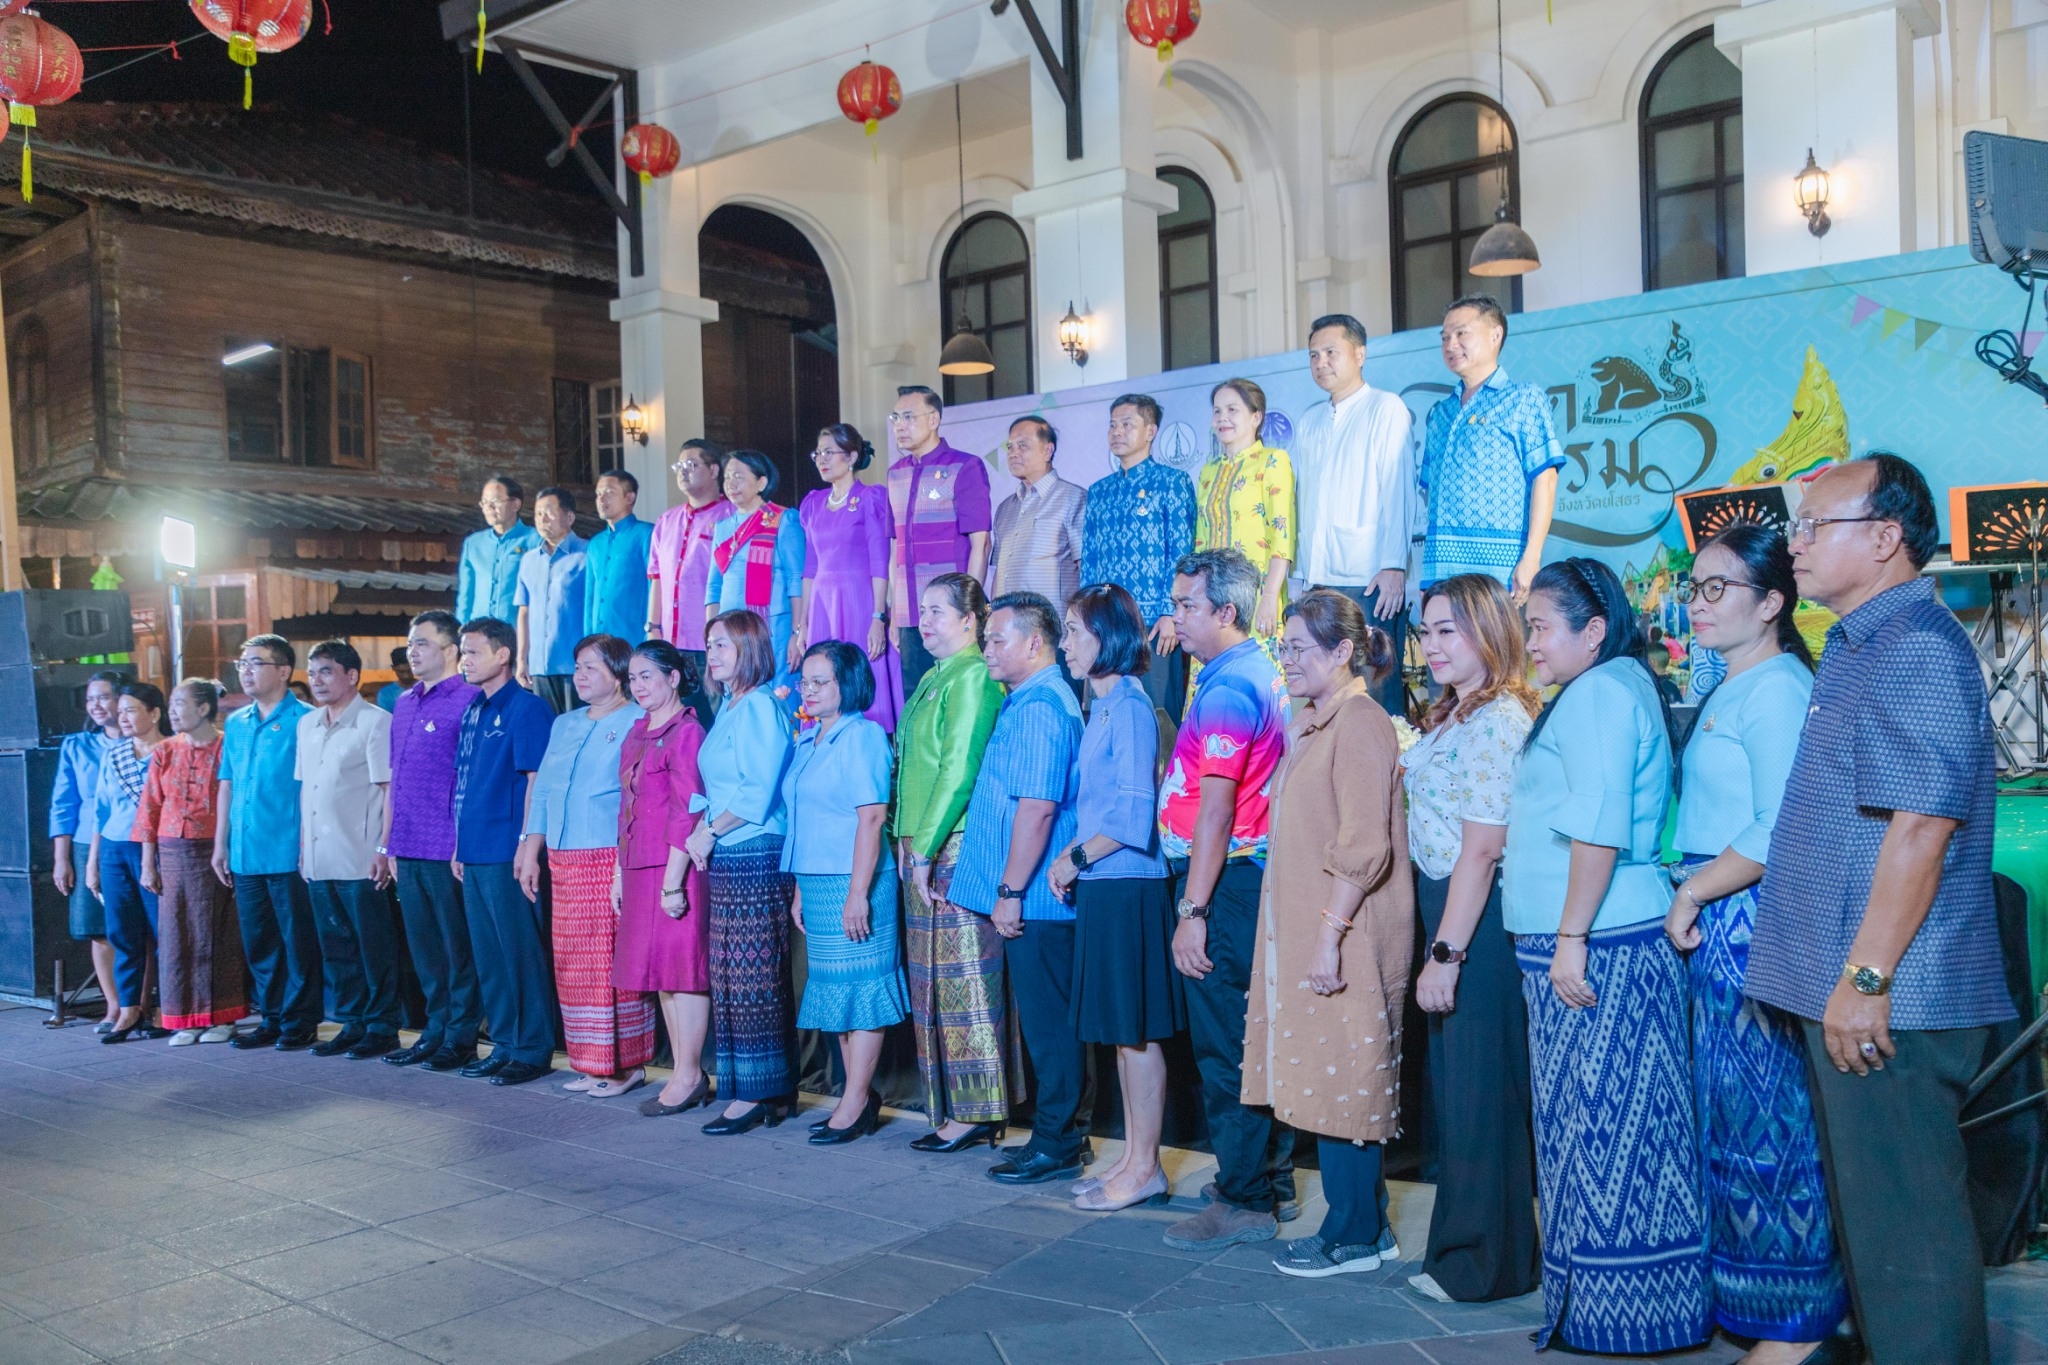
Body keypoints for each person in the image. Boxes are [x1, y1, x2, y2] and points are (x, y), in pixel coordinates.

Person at [1745, 454, 2011, 1365]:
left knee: (1913, 1248)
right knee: (1881, 1244)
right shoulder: (1867, 642)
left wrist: (1863, 979)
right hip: (1862, 990)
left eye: (1817, 526)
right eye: (1796, 527)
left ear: (1887, 538)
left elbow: (1920, 831)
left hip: (1896, 998)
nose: (1799, 544)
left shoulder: (1917, 649)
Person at [1505, 557, 1705, 1354]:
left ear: (1593, 629)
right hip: (1603, 932)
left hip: (1601, 940)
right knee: (1606, 1124)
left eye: (1542, 627)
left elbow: (1598, 829)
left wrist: (1570, 939)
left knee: (1603, 1126)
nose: (1531, 643)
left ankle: (1624, 1315)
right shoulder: (1613, 685)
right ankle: (1624, 1308)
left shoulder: (1597, 694)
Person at [1662, 524, 1846, 1362]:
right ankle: (1761, 1307)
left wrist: (1695, 888)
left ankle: (1799, 1323)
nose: (1697, 604)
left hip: (1750, 914)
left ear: (1772, 602)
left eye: (1717, 589)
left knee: (1771, 1121)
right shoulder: (1738, 684)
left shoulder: (1776, 689)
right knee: (1735, 1119)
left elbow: (1780, 825)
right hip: (1724, 913)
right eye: (1693, 587)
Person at [1249, 591, 1410, 1278]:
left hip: (1345, 930)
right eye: (1282, 648)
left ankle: (1356, 1235)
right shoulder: (1313, 722)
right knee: (1327, 1072)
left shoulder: (1362, 723)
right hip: (1314, 928)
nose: (1286, 661)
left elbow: (1364, 844)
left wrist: (1328, 935)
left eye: (1298, 649)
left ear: (1342, 652)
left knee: (1348, 1075)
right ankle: (1361, 1223)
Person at [1400, 575, 1541, 1304]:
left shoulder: (1498, 720)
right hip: (1446, 900)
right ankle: (1466, 1251)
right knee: (1460, 1093)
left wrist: (1447, 952)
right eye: (1427, 631)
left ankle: (1487, 1263)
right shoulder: (1457, 713)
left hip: (1475, 918)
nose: (1433, 645)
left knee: (1481, 1091)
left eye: (1448, 629)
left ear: (1490, 629)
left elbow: (1483, 848)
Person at [1157, 549, 1295, 1252]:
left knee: (1225, 1050)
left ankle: (1245, 1199)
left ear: (1225, 612)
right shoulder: (1255, 669)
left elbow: (1215, 812)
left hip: (1227, 881)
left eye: (1185, 605)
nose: (1174, 617)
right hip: (1247, 880)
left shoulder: (1227, 689)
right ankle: (1265, 1180)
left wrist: (1193, 911)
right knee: (1251, 1040)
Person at [1050, 585, 1182, 1212]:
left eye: (1074, 630)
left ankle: (1145, 1165)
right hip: (1105, 884)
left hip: (1128, 884)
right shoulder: (1101, 705)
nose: (1065, 643)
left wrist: (1073, 858)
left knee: (1136, 1035)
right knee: (1121, 1037)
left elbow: (1134, 815)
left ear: (1106, 637)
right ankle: (1132, 1159)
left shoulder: (1128, 705)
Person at [949, 592, 1085, 1185]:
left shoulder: (1039, 707)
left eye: (997, 639)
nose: (987, 650)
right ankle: (1055, 1137)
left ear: (1035, 642)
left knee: (1052, 1026)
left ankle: (1059, 1142)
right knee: (1046, 1022)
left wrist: (1009, 890)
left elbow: (1037, 809)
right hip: (1030, 894)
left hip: (1036, 899)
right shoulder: (1029, 698)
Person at [894, 571, 1009, 1151]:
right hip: (922, 846)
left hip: (953, 848)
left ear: (972, 621)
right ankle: (950, 1109)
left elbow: (959, 770)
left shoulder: (972, 677)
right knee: (933, 986)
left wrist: (925, 847)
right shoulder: (938, 676)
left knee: (964, 984)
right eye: (922, 610)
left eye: (939, 611)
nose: (926, 622)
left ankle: (978, 1112)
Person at [782, 641, 906, 1144]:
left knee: (862, 989)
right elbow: (805, 820)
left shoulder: (864, 736)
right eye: (805, 681)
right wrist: (797, 887)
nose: (808, 690)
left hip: (855, 881)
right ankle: (855, 1096)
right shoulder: (811, 740)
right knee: (835, 992)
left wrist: (859, 893)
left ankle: (856, 1101)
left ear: (847, 684)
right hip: (815, 881)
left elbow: (871, 817)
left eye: (820, 681)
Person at [517, 634, 651, 1097]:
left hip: (607, 856)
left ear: (618, 674)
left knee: (609, 961)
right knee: (574, 963)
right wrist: (530, 848)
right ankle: (590, 1062)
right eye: (577, 666)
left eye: (591, 666)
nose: (579, 675)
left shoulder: (638, 719)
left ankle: (626, 1066)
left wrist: (622, 861)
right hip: (563, 856)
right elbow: (546, 791)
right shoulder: (565, 723)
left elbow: (636, 799)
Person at [685, 610, 800, 1133]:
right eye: (709, 645)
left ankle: (760, 1092)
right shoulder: (731, 704)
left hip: (753, 848)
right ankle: (753, 1088)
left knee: (753, 974)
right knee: (732, 973)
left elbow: (758, 791)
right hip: (731, 849)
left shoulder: (757, 706)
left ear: (750, 650)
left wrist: (710, 829)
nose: (712, 654)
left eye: (724, 645)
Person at [1292, 314, 1418, 718]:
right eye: (1314, 355)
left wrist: (1394, 565)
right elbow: (1299, 501)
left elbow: (1399, 490)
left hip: (1370, 578)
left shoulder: (1386, 408)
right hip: (1319, 580)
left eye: (1331, 352)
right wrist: (1300, 574)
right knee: (1325, 688)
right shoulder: (1310, 420)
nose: (1321, 362)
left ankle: (1387, 776)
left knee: (1374, 687)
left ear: (1360, 354)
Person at [452, 616, 559, 1086]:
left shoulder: (528, 708)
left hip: (508, 849)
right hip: (473, 849)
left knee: (518, 953)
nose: (464, 660)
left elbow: (538, 780)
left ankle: (532, 1048)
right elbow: (465, 784)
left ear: (503, 654)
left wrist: (526, 847)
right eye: (462, 651)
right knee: (490, 956)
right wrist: (458, 845)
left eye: (473, 651)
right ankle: (504, 1043)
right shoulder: (475, 708)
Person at [376, 611, 484, 1072]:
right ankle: (434, 1029)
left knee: (455, 946)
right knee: (423, 948)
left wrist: (463, 841)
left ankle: (461, 1035)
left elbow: (472, 777)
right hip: (407, 843)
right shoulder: (403, 703)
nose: (412, 651)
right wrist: (387, 846)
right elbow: (395, 779)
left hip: (447, 845)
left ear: (451, 650)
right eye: (410, 644)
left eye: (422, 643)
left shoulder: (471, 698)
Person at [617, 641, 714, 1118]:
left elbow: (688, 810)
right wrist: (620, 871)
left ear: (674, 678)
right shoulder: (639, 731)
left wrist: (674, 881)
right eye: (633, 678)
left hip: (673, 866)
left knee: (683, 974)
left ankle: (690, 1073)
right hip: (639, 865)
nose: (638, 686)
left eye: (647, 676)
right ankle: (683, 1071)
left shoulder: (687, 732)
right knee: (660, 976)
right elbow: (626, 808)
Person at [214, 637, 322, 1052]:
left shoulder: (306, 720)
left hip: (287, 850)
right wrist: (221, 844)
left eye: (256, 663)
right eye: (242, 663)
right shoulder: (237, 722)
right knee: (259, 942)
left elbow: (313, 785)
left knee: (297, 941)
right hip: (244, 850)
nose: (246, 670)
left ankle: (299, 1019)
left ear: (283, 671)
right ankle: (271, 1016)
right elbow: (228, 783)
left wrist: (306, 842)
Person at [1419, 296, 1564, 603]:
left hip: (1500, 570)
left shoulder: (1523, 398)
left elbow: (1546, 478)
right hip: (1442, 572)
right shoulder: (1440, 414)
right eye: (1444, 337)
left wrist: (1531, 557)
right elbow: (1432, 496)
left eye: (1461, 333)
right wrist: (1428, 571)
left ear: (1495, 335)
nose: (1450, 344)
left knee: (1497, 651)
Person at [297, 641, 403, 1059]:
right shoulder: (307, 725)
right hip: (321, 856)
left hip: (361, 854)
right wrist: (305, 847)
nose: (317, 680)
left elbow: (389, 789)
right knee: (337, 946)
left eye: (326, 671)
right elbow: (308, 790)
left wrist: (383, 847)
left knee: (372, 945)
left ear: (352, 676)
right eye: (313, 672)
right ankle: (351, 1022)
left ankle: (382, 1025)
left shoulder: (376, 722)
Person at [135, 679, 244, 1045]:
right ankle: (184, 1019)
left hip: (213, 850)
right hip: (172, 850)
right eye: (172, 704)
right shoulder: (165, 750)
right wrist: (148, 862)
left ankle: (223, 1017)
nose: (173, 711)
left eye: (180, 704)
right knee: (175, 935)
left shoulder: (227, 745)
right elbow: (149, 806)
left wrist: (226, 846)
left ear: (203, 708)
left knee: (218, 933)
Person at [1080, 394, 1196, 721]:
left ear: (1150, 431)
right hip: (1107, 623)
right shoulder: (1100, 491)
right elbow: (1089, 559)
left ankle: (1163, 775)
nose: (1117, 431)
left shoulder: (1172, 482)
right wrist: (1085, 618)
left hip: (1154, 624)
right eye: (1112, 425)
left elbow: (1182, 553)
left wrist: (1170, 612)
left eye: (1127, 424)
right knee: (1109, 713)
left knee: (1157, 714)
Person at [794, 423, 902, 730]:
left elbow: (880, 562)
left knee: (860, 670)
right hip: (822, 604)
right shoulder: (813, 503)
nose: (822, 459)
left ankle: (870, 744)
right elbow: (810, 568)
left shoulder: (871, 498)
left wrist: (878, 616)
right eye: (818, 453)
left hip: (859, 598)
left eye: (830, 452)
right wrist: (803, 625)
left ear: (852, 456)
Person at [886, 385, 991, 696]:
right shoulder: (895, 474)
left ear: (933, 419)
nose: (899, 426)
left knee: (957, 697)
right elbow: (895, 548)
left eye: (908, 417)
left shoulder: (965, 466)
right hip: (909, 614)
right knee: (916, 701)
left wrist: (969, 610)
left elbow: (981, 544)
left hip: (951, 613)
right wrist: (894, 613)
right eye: (895, 418)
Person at [89, 683, 170, 1044]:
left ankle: (167, 1008)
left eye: (131, 710)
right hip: (115, 848)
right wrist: (93, 862)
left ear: (154, 713)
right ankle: (128, 1009)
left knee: (164, 932)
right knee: (122, 932)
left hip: (157, 849)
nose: (122, 717)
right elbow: (100, 811)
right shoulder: (115, 753)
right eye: (119, 710)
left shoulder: (171, 751)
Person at [705, 449, 806, 710]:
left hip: (772, 629)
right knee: (735, 699)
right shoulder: (723, 527)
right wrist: (711, 639)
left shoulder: (784, 519)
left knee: (776, 699)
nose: (731, 484)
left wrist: (798, 632)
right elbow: (714, 586)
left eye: (739, 476)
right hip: (730, 632)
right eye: (727, 478)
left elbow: (797, 580)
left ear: (761, 482)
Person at [50, 671, 123, 1031]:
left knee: (137, 928)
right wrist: (61, 859)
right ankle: (112, 1006)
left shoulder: (145, 741)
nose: (96, 705)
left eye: (104, 697)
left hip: (132, 839)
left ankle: (138, 1004)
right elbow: (63, 804)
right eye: (91, 698)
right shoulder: (76, 746)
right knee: (99, 929)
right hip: (84, 844)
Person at [1195, 379, 1293, 640]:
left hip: (1255, 594)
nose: (1222, 418)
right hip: (1211, 598)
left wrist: (1270, 597)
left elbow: (1281, 539)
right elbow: (1201, 541)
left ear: (1256, 417)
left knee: (1254, 671)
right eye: (1217, 411)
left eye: (1232, 410)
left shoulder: (1273, 461)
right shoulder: (1209, 470)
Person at [646, 439, 732, 674]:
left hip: (715, 641)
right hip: (671, 642)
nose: (683, 472)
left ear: (713, 470)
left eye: (691, 465)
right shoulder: (666, 521)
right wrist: (652, 627)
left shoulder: (731, 516)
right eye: (679, 467)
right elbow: (657, 577)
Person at [988, 417, 1085, 610]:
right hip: (1010, 627)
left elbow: (1086, 567)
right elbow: (1000, 572)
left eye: (1022, 446)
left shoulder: (1073, 498)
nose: (1013, 454)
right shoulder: (1004, 508)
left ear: (1047, 451)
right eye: (1010, 447)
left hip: (1055, 625)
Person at [514, 485, 589, 714]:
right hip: (539, 666)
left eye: (548, 511)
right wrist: (522, 659)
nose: (541, 519)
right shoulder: (528, 560)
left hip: (574, 664)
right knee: (545, 732)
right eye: (537, 513)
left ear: (569, 517)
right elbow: (524, 612)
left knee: (576, 730)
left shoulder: (587, 554)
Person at [456, 475, 542, 624]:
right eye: (484, 502)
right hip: (479, 634)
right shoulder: (473, 543)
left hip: (518, 631)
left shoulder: (536, 540)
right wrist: (460, 631)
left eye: (495, 501)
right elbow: (466, 596)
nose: (489, 508)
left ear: (515, 504)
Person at [584, 468, 655, 644]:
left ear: (629, 498)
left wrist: (651, 635)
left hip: (634, 639)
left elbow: (654, 586)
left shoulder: (646, 534)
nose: (601, 499)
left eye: (609, 492)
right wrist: (587, 640)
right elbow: (590, 598)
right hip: (599, 642)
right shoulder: (595, 543)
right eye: (598, 494)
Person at [374, 647, 414, 712]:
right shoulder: (385, 694)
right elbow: (386, 719)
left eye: (409, 671)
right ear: (393, 668)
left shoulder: (426, 688)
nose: (406, 676)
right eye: (401, 672)